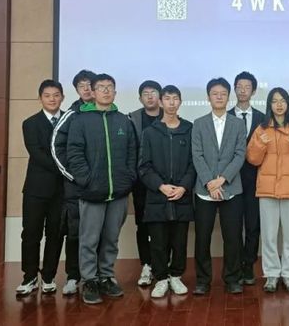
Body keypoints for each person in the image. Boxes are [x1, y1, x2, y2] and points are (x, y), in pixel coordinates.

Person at [67, 74, 138, 304]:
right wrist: (86, 179)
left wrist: (128, 178)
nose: (106, 91)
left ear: (115, 92)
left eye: (110, 87)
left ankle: (106, 276)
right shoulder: (80, 120)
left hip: (118, 192)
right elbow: (74, 153)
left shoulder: (124, 121)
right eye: (101, 87)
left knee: (111, 239)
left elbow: (132, 153)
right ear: (93, 92)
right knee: (89, 239)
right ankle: (89, 279)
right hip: (92, 192)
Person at [247, 88, 289, 292]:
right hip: (267, 189)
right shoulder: (261, 129)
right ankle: (271, 274)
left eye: (282, 100)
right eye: (274, 101)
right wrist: (260, 144)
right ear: (269, 104)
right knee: (268, 235)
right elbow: (253, 159)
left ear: (287, 104)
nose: (279, 105)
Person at [138, 85, 196, 298]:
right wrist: (160, 186)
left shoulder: (189, 129)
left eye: (175, 98)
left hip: (182, 194)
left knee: (179, 241)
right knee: (158, 242)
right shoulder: (150, 132)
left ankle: (176, 276)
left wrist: (184, 186)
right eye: (167, 98)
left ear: (180, 101)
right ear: (161, 102)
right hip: (157, 196)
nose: (171, 102)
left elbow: (194, 163)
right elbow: (144, 166)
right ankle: (161, 279)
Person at [191, 78, 247, 295]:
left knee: (232, 237)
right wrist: (209, 183)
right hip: (204, 190)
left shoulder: (238, 124)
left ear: (228, 96)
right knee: (202, 238)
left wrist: (222, 179)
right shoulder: (198, 123)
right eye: (215, 93)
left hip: (231, 189)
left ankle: (232, 278)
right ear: (208, 97)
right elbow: (197, 155)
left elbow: (240, 154)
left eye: (223, 93)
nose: (219, 97)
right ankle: (203, 280)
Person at [16, 80, 65, 296]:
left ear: (62, 97)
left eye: (56, 95)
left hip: (62, 190)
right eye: (47, 95)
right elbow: (37, 154)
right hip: (36, 189)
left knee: (56, 234)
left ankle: (48, 277)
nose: (52, 99)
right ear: (40, 98)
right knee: (31, 233)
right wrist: (65, 168)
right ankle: (29, 277)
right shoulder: (30, 123)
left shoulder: (70, 121)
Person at [51, 69, 95, 295]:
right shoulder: (70, 114)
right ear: (76, 90)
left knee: (99, 234)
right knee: (75, 233)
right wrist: (76, 176)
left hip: (101, 188)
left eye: (89, 84)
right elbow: (56, 147)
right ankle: (73, 276)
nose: (86, 89)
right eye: (81, 86)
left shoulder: (105, 112)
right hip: (76, 187)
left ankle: (98, 276)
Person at [229, 71, 265, 285]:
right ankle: (234, 266)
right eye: (239, 86)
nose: (243, 90)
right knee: (233, 227)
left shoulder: (263, 118)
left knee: (253, 225)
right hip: (230, 180)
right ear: (234, 89)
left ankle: (248, 264)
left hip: (255, 180)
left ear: (254, 91)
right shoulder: (224, 116)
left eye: (247, 87)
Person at [128, 80, 164, 287]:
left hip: (166, 182)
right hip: (141, 182)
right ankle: (147, 265)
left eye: (154, 92)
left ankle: (164, 266)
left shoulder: (169, 115)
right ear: (140, 98)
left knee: (165, 225)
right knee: (143, 224)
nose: (150, 96)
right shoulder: (132, 119)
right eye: (145, 93)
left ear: (160, 96)